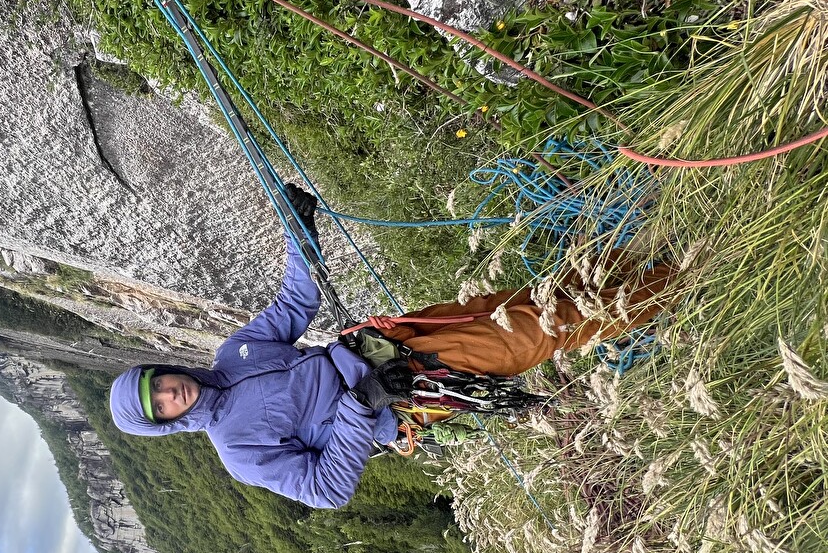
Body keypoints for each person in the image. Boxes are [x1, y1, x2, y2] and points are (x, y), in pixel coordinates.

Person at [108, 185, 672, 509]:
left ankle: (646, 257)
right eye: (161, 405)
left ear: (162, 369)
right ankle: (674, 282)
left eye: (157, 381)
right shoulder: (238, 449)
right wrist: (363, 402)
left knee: (518, 302)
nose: (170, 392)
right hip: (403, 393)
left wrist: (295, 233)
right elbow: (324, 489)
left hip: (385, 345)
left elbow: (294, 305)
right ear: (167, 423)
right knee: (532, 333)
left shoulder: (234, 355)